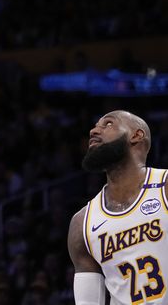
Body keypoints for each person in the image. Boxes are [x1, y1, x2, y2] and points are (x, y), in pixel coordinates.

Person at [68, 110, 168, 305]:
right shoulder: (82, 224)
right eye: (95, 125)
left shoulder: (164, 186)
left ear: (136, 135)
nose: (93, 131)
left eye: (108, 124)